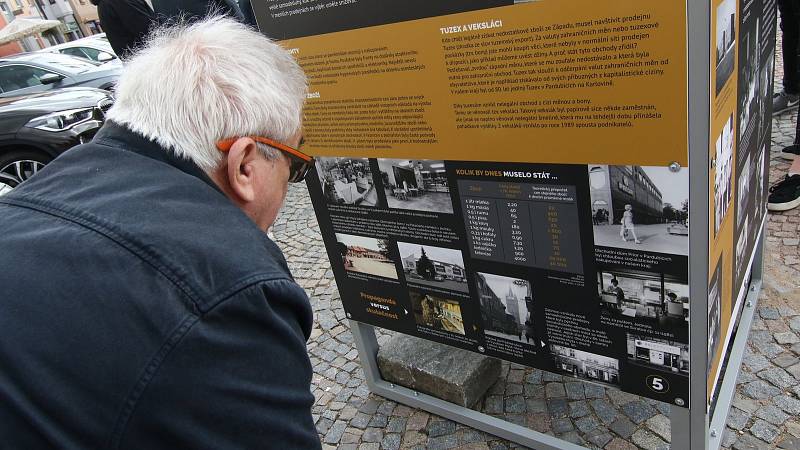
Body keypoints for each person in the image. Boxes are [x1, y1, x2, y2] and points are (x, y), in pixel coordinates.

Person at [0, 17, 320, 449]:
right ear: (245, 164)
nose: (291, 180)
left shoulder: (25, 199)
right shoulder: (229, 290)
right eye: (294, 166)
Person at [90, 0, 155, 60]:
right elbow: (149, 30)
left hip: (138, 60)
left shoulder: (105, 4)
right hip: (149, 57)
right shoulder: (116, 2)